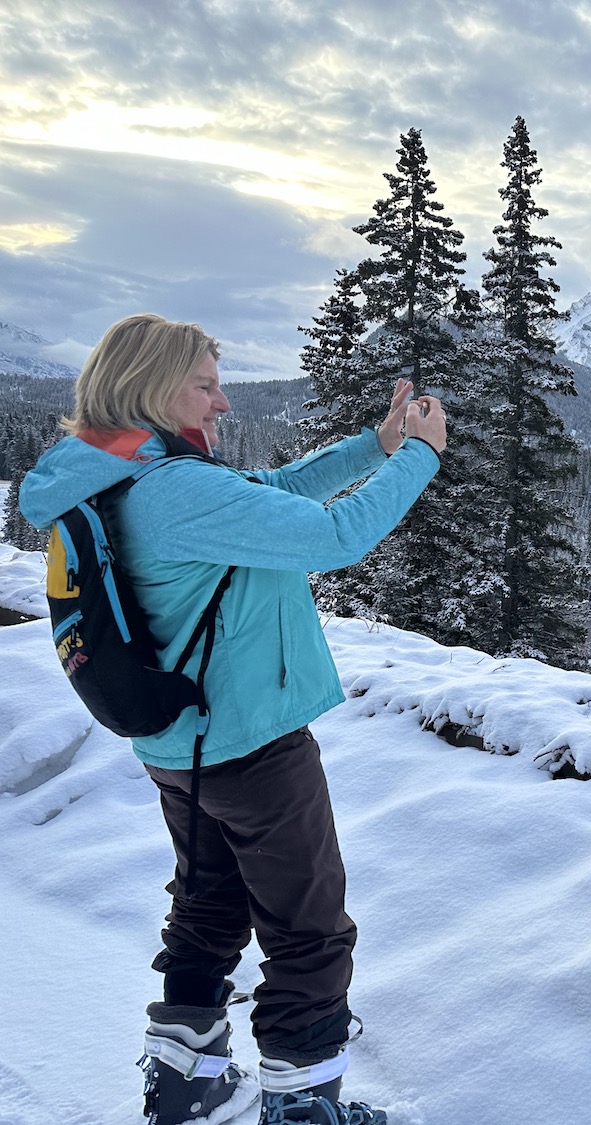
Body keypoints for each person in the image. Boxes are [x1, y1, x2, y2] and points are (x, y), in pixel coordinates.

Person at [20, 314, 447, 1125]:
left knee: (209, 904)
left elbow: (273, 496)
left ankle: (186, 1082)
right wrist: (422, 454)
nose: (222, 402)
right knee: (309, 927)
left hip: (183, 743)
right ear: (151, 386)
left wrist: (372, 446)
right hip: (251, 740)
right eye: (206, 384)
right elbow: (335, 534)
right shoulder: (175, 487)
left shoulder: (126, 473)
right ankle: (302, 1105)